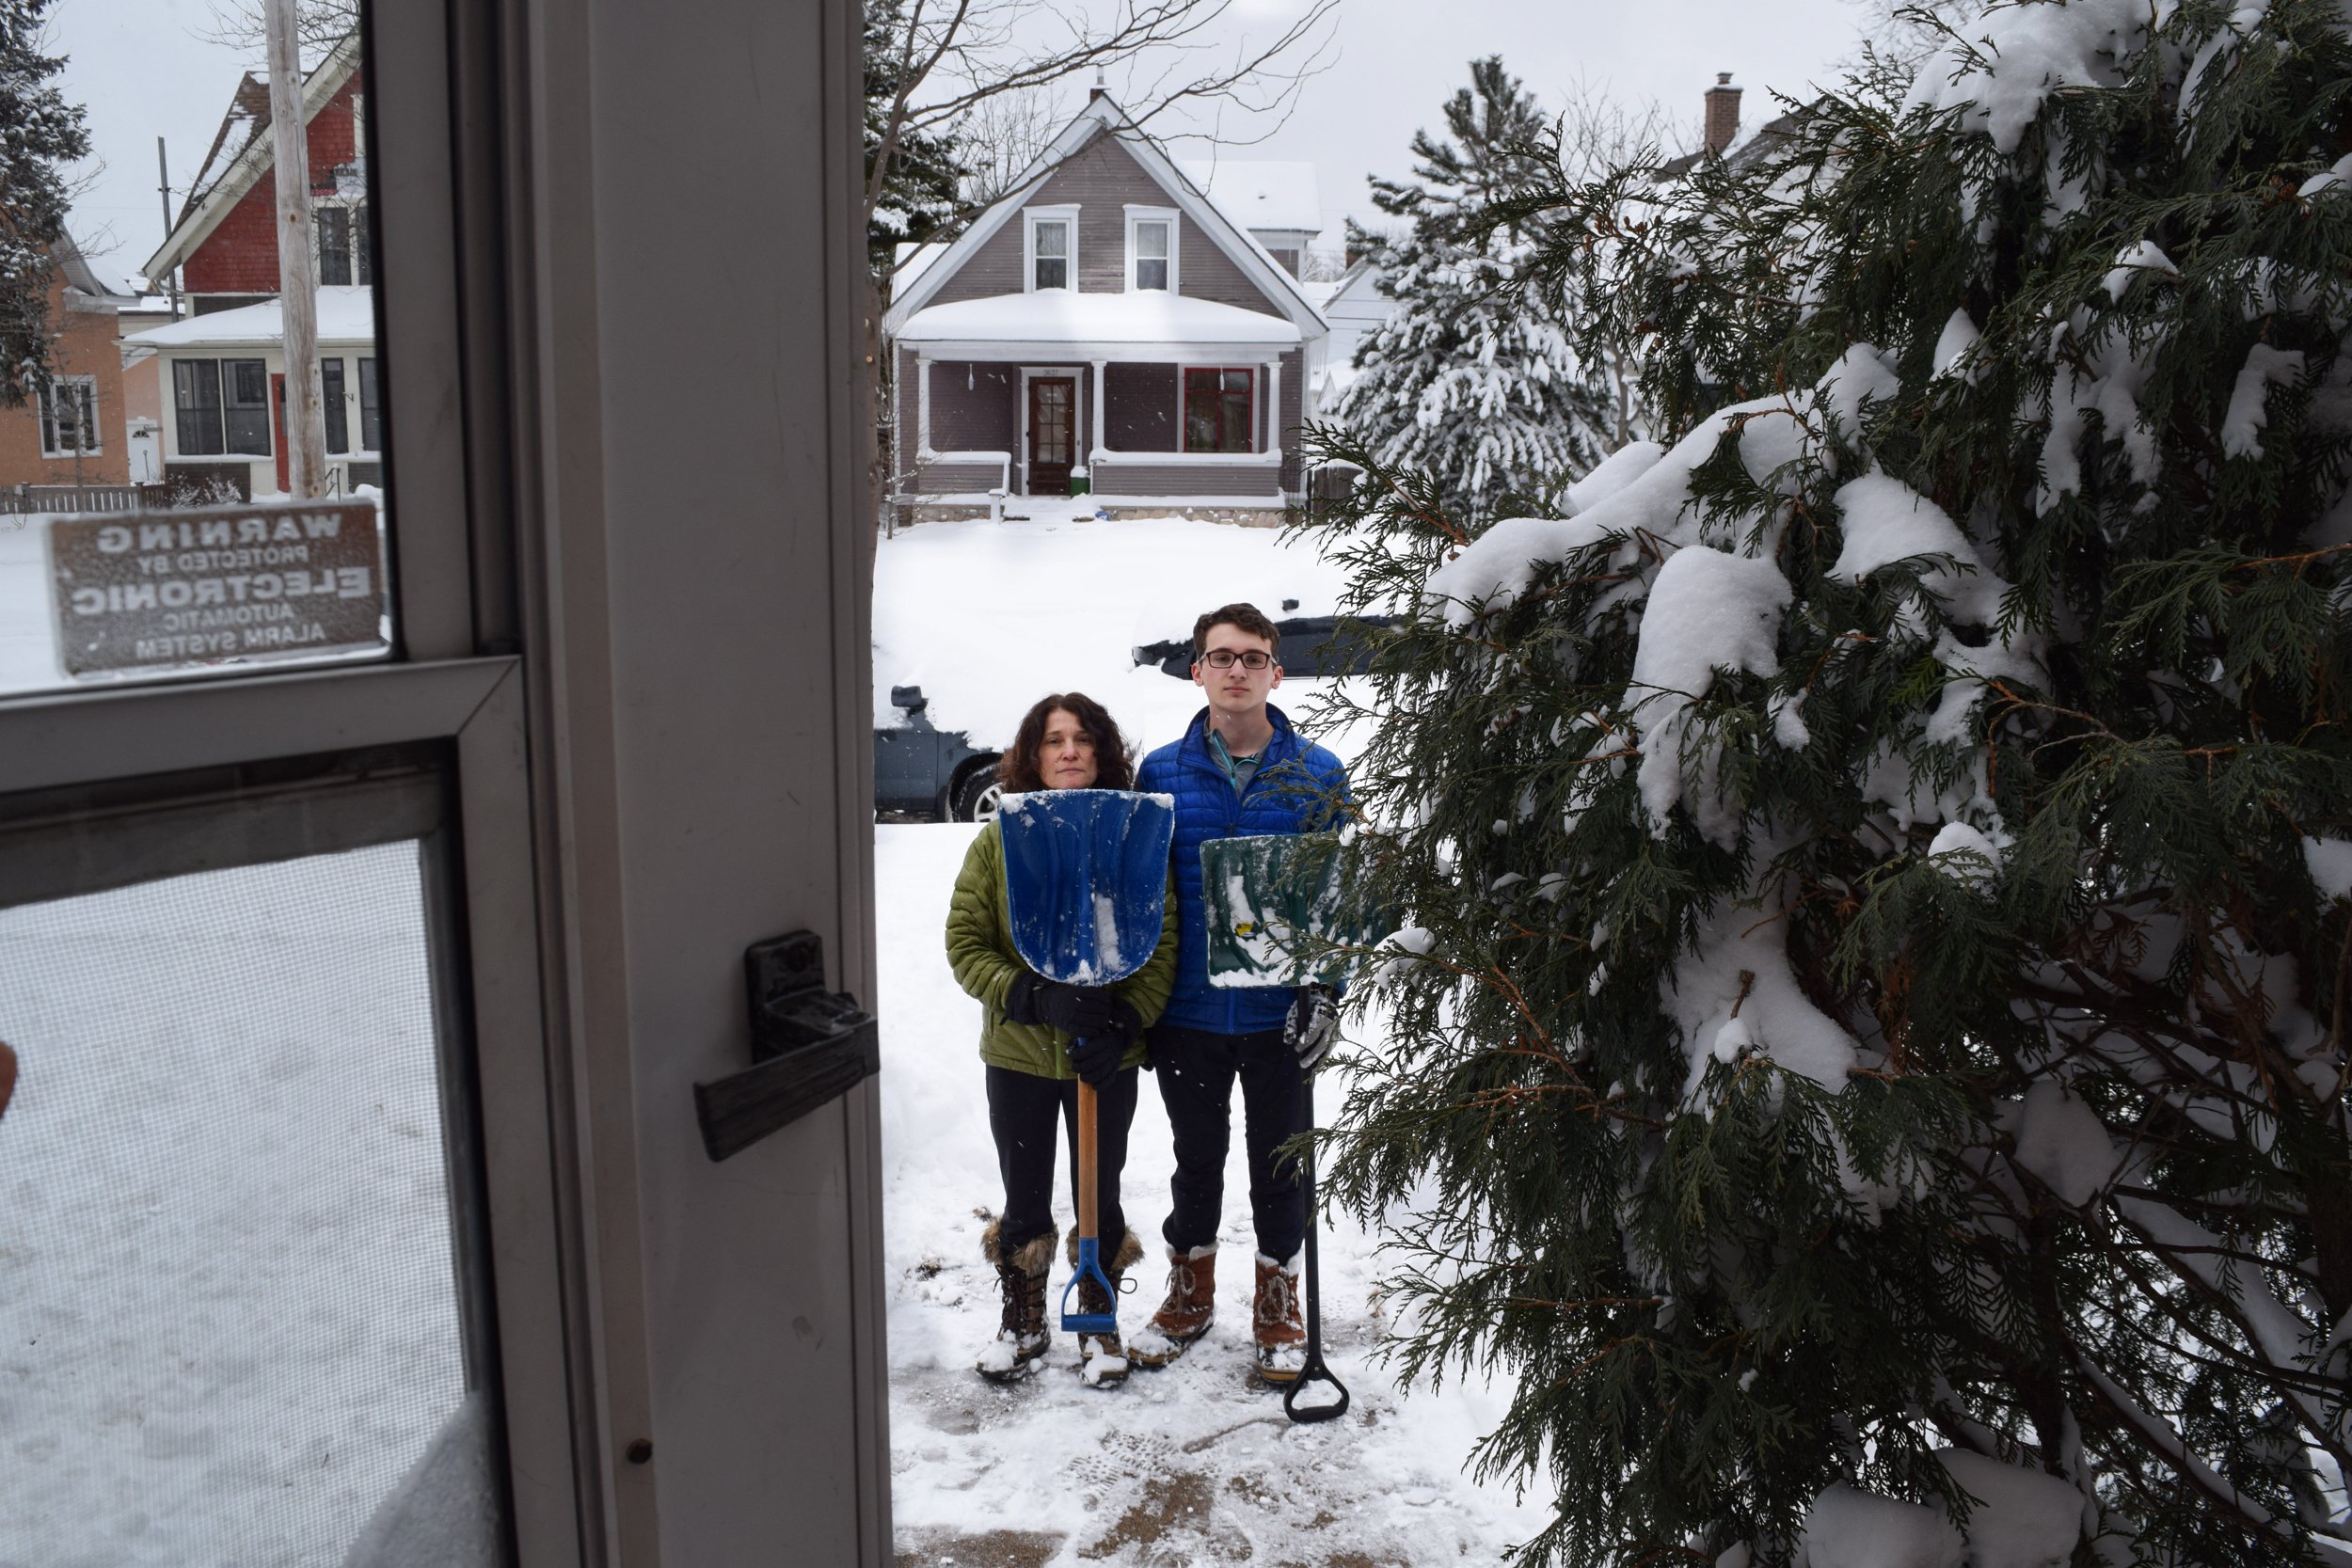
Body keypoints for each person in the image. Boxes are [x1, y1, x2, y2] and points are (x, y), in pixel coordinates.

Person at [1128, 604, 1350, 1386]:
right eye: (1221, 657)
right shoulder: (1159, 771)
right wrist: (1141, 1000)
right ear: (1198, 670)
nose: (1236, 670)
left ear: (1275, 672)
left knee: (1280, 1165)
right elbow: (1144, 897)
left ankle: (1278, 1302)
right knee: (1196, 1161)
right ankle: (1189, 1295)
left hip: (1276, 1015)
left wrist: (1327, 991)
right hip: (1188, 1011)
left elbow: (1336, 895)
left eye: (1253, 658)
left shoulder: (1320, 772)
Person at [945, 692, 1179, 1389]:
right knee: (1023, 1193)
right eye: (1054, 740)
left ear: (1104, 752)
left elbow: (1160, 942)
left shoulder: (1132, 835)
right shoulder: (998, 840)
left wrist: (1125, 1022)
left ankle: (1096, 1306)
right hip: (1017, 1055)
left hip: (1104, 1057)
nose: (1069, 750)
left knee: (1098, 1193)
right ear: (1033, 756)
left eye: (1082, 738)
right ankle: (1024, 1317)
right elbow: (965, 944)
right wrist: (1032, 994)